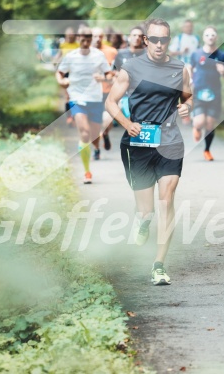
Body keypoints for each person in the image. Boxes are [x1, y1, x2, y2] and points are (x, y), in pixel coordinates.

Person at [106, 18, 193, 286]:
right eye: (153, 39)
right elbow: (111, 102)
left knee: (167, 197)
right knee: (146, 210)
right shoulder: (130, 68)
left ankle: (158, 265)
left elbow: (188, 96)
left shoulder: (180, 68)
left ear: (169, 41)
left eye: (163, 39)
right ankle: (142, 220)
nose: (158, 44)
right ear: (145, 40)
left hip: (169, 141)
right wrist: (126, 123)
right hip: (139, 142)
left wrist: (186, 107)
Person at [56, 26, 110, 184]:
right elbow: (60, 72)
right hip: (77, 98)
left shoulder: (99, 55)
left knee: (93, 135)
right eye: (83, 39)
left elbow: (109, 74)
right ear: (78, 38)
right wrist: (62, 81)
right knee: (84, 134)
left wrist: (103, 78)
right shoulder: (71, 56)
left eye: (88, 39)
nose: (85, 42)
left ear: (91, 39)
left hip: (95, 98)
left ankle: (96, 145)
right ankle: (87, 172)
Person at [189, 26, 224, 161]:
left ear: (216, 37)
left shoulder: (222, 55)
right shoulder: (196, 54)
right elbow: (190, 68)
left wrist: (223, 71)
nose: (210, 37)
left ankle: (207, 150)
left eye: (212, 35)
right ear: (203, 37)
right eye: (207, 35)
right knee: (200, 122)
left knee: (210, 124)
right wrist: (189, 79)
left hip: (215, 92)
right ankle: (196, 127)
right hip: (199, 91)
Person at [92, 26, 117, 155]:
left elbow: (117, 72)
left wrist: (105, 78)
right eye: (94, 36)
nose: (97, 39)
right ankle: (96, 148)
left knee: (107, 121)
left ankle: (105, 134)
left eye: (100, 37)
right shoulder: (85, 53)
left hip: (108, 92)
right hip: (91, 94)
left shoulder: (111, 52)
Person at [54, 27, 80, 126]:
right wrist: (56, 61)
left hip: (76, 72)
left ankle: (76, 115)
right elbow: (59, 55)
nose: (70, 37)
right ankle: (69, 117)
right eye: (68, 35)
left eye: (71, 35)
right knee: (68, 96)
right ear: (65, 36)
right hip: (66, 72)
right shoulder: (63, 44)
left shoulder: (78, 45)